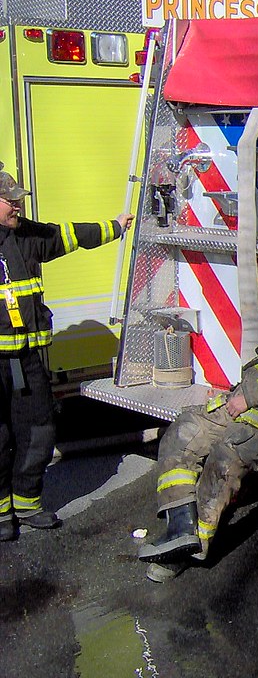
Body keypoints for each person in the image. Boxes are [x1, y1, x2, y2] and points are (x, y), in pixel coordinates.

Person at [138, 269, 258, 581]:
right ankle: (179, 527)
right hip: (241, 406)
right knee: (181, 432)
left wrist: (248, 398)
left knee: (222, 460)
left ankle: (191, 550)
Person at [0, 168, 133, 542]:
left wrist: (115, 227)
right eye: (10, 202)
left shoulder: (27, 235)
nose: (18, 207)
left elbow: (70, 235)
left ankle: (26, 504)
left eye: (19, 201)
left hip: (27, 362)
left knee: (38, 430)